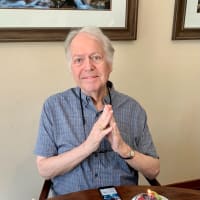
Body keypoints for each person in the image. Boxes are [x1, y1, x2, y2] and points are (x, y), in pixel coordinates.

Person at [34, 26, 160, 196]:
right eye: (78, 60)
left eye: (96, 57)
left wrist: (123, 149)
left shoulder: (133, 109)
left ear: (110, 64)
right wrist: (88, 146)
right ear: (71, 67)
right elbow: (44, 169)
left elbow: (153, 170)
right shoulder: (54, 107)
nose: (88, 66)